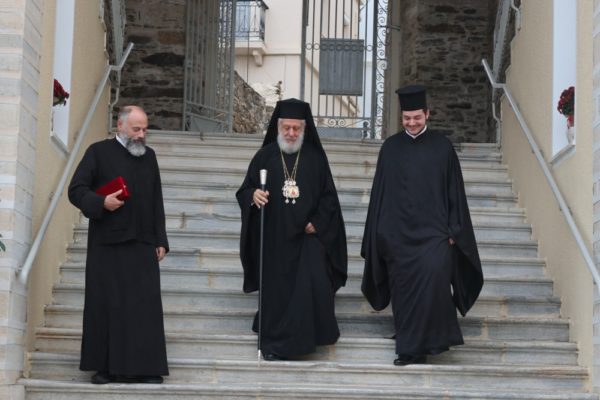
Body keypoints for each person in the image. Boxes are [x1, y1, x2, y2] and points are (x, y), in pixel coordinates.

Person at [361, 85, 483, 366]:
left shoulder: (443, 148)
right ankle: (408, 349)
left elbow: (455, 193)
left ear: (427, 114)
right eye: (407, 118)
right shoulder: (390, 149)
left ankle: (430, 342)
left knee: (434, 281)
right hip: (398, 236)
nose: (412, 122)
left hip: (434, 236)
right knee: (403, 290)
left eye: (417, 117)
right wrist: (380, 232)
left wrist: (454, 230)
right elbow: (379, 194)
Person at [236, 98, 347, 361]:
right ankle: (277, 344)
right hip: (275, 238)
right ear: (278, 127)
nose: (291, 133)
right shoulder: (265, 157)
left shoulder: (316, 159)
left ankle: (310, 339)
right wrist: (253, 196)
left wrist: (317, 222)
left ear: (304, 129)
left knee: (314, 279)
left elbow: (330, 200)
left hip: (307, 237)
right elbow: (244, 190)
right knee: (277, 288)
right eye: (286, 127)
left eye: (296, 128)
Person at [68, 105, 169, 384]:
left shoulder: (149, 156)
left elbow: (156, 199)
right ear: (120, 125)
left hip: (142, 243)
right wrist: (101, 202)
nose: (141, 135)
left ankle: (145, 368)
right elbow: (76, 190)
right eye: (136, 129)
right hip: (107, 245)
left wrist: (161, 239)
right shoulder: (98, 152)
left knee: (143, 308)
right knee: (107, 306)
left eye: (145, 129)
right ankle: (105, 368)